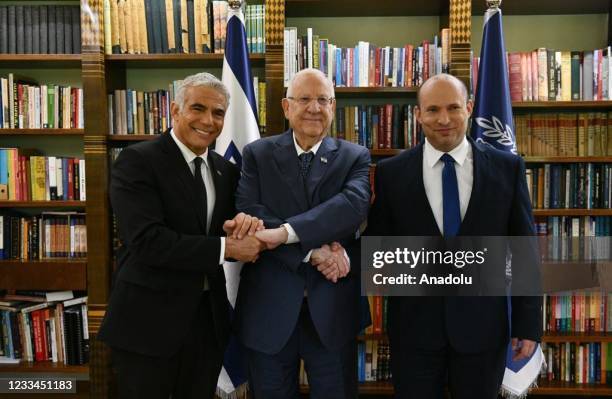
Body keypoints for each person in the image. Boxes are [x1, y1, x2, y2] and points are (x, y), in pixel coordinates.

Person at [366, 73, 542, 399]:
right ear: (418, 115)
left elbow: (524, 252)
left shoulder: (507, 168)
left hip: (484, 329)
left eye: (453, 108)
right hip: (414, 331)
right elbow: (380, 247)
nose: (443, 119)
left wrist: (527, 324)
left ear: (470, 108)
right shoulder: (392, 173)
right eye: (432, 110)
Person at [98, 72, 264, 399]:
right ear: (175, 111)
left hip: (206, 322)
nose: (208, 120)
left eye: (218, 113)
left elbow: (225, 231)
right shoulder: (137, 161)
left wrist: (245, 228)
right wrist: (225, 246)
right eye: (197, 108)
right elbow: (147, 242)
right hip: (147, 324)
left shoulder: (225, 170)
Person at [234, 68, 371, 398]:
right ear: (285, 107)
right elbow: (251, 212)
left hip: (333, 311)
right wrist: (314, 251)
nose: (314, 107)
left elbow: (351, 207)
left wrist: (285, 233)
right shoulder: (257, 154)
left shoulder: (355, 156)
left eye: (323, 99)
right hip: (269, 311)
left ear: (333, 107)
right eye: (305, 99)